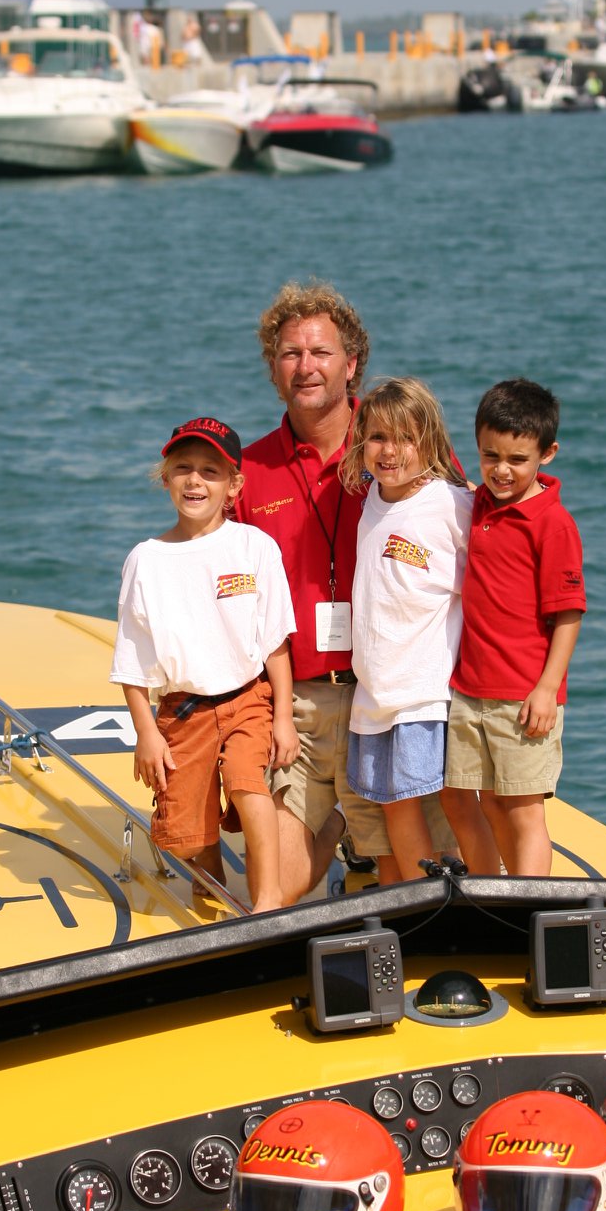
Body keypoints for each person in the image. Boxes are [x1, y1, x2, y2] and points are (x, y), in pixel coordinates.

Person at [237, 283, 457, 903]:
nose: (306, 366)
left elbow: (474, 536)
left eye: (321, 352)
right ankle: (338, 820)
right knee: (275, 889)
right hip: (297, 705)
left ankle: (357, 826)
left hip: (388, 698)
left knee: (423, 876)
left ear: (352, 363)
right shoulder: (249, 471)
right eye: (289, 354)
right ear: (274, 370)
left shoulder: (399, 447)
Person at [111, 416, 299, 913]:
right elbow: (132, 662)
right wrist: (146, 732)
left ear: (234, 484)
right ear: (166, 476)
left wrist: (282, 718)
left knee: (248, 786)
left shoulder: (254, 547)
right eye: (184, 468)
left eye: (211, 471)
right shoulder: (145, 560)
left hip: (249, 699)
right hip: (182, 711)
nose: (196, 481)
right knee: (186, 836)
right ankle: (210, 886)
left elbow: (276, 643)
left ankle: (269, 901)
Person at [441, 378, 586, 878]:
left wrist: (547, 690)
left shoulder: (554, 524)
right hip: (468, 689)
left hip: (524, 697)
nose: (501, 471)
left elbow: (568, 614)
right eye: (490, 455)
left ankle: (530, 908)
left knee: (522, 810)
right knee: (467, 800)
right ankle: (491, 892)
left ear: (547, 454)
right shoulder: (479, 502)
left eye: (517, 460)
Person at [341, 379, 473, 883]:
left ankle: (472, 892)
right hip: (375, 692)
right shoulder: (370, 498)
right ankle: (411, 902)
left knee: (444, 806)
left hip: (423, 692)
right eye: (377, 437)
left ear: (431, 441)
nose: (390, 451)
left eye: (405, 438)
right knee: (394, 805)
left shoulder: (452, 505)